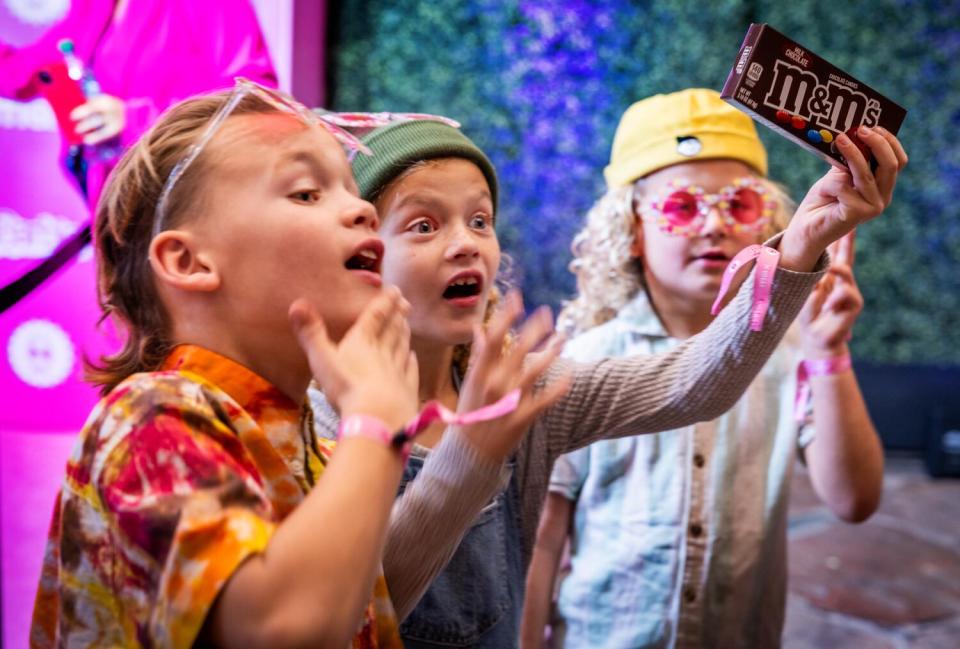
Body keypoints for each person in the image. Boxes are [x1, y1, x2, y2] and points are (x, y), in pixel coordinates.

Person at [309, 106, 905, 648]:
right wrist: (469, 454)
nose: (466, 243)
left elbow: (697, 381)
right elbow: (350, 613)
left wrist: (800, 246)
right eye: (423, 226)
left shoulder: (528, 390)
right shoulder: (316, 419)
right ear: (363, 257)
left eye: (481, 221)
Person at [28, 81, 547, 648]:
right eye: (307, 193)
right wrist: (374, 423)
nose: (361, 211)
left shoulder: (317, 452)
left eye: (352, 192)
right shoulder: (153, 414)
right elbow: (283, 629)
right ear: (189, 260)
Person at [520, 89, 905, 648]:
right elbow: (543, 541)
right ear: (630, 229)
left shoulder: (793, 351)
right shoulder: (586, 357)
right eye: (682, 206)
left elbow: (854, 499)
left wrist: (828, 354)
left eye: (739, 204)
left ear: (766, 220)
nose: (715, 226)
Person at [0, 0, 277, 206]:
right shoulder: (93, 6)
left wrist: (134, 118)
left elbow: (253, 93)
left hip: (189, 195)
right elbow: (19, 75)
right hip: (118, 201)